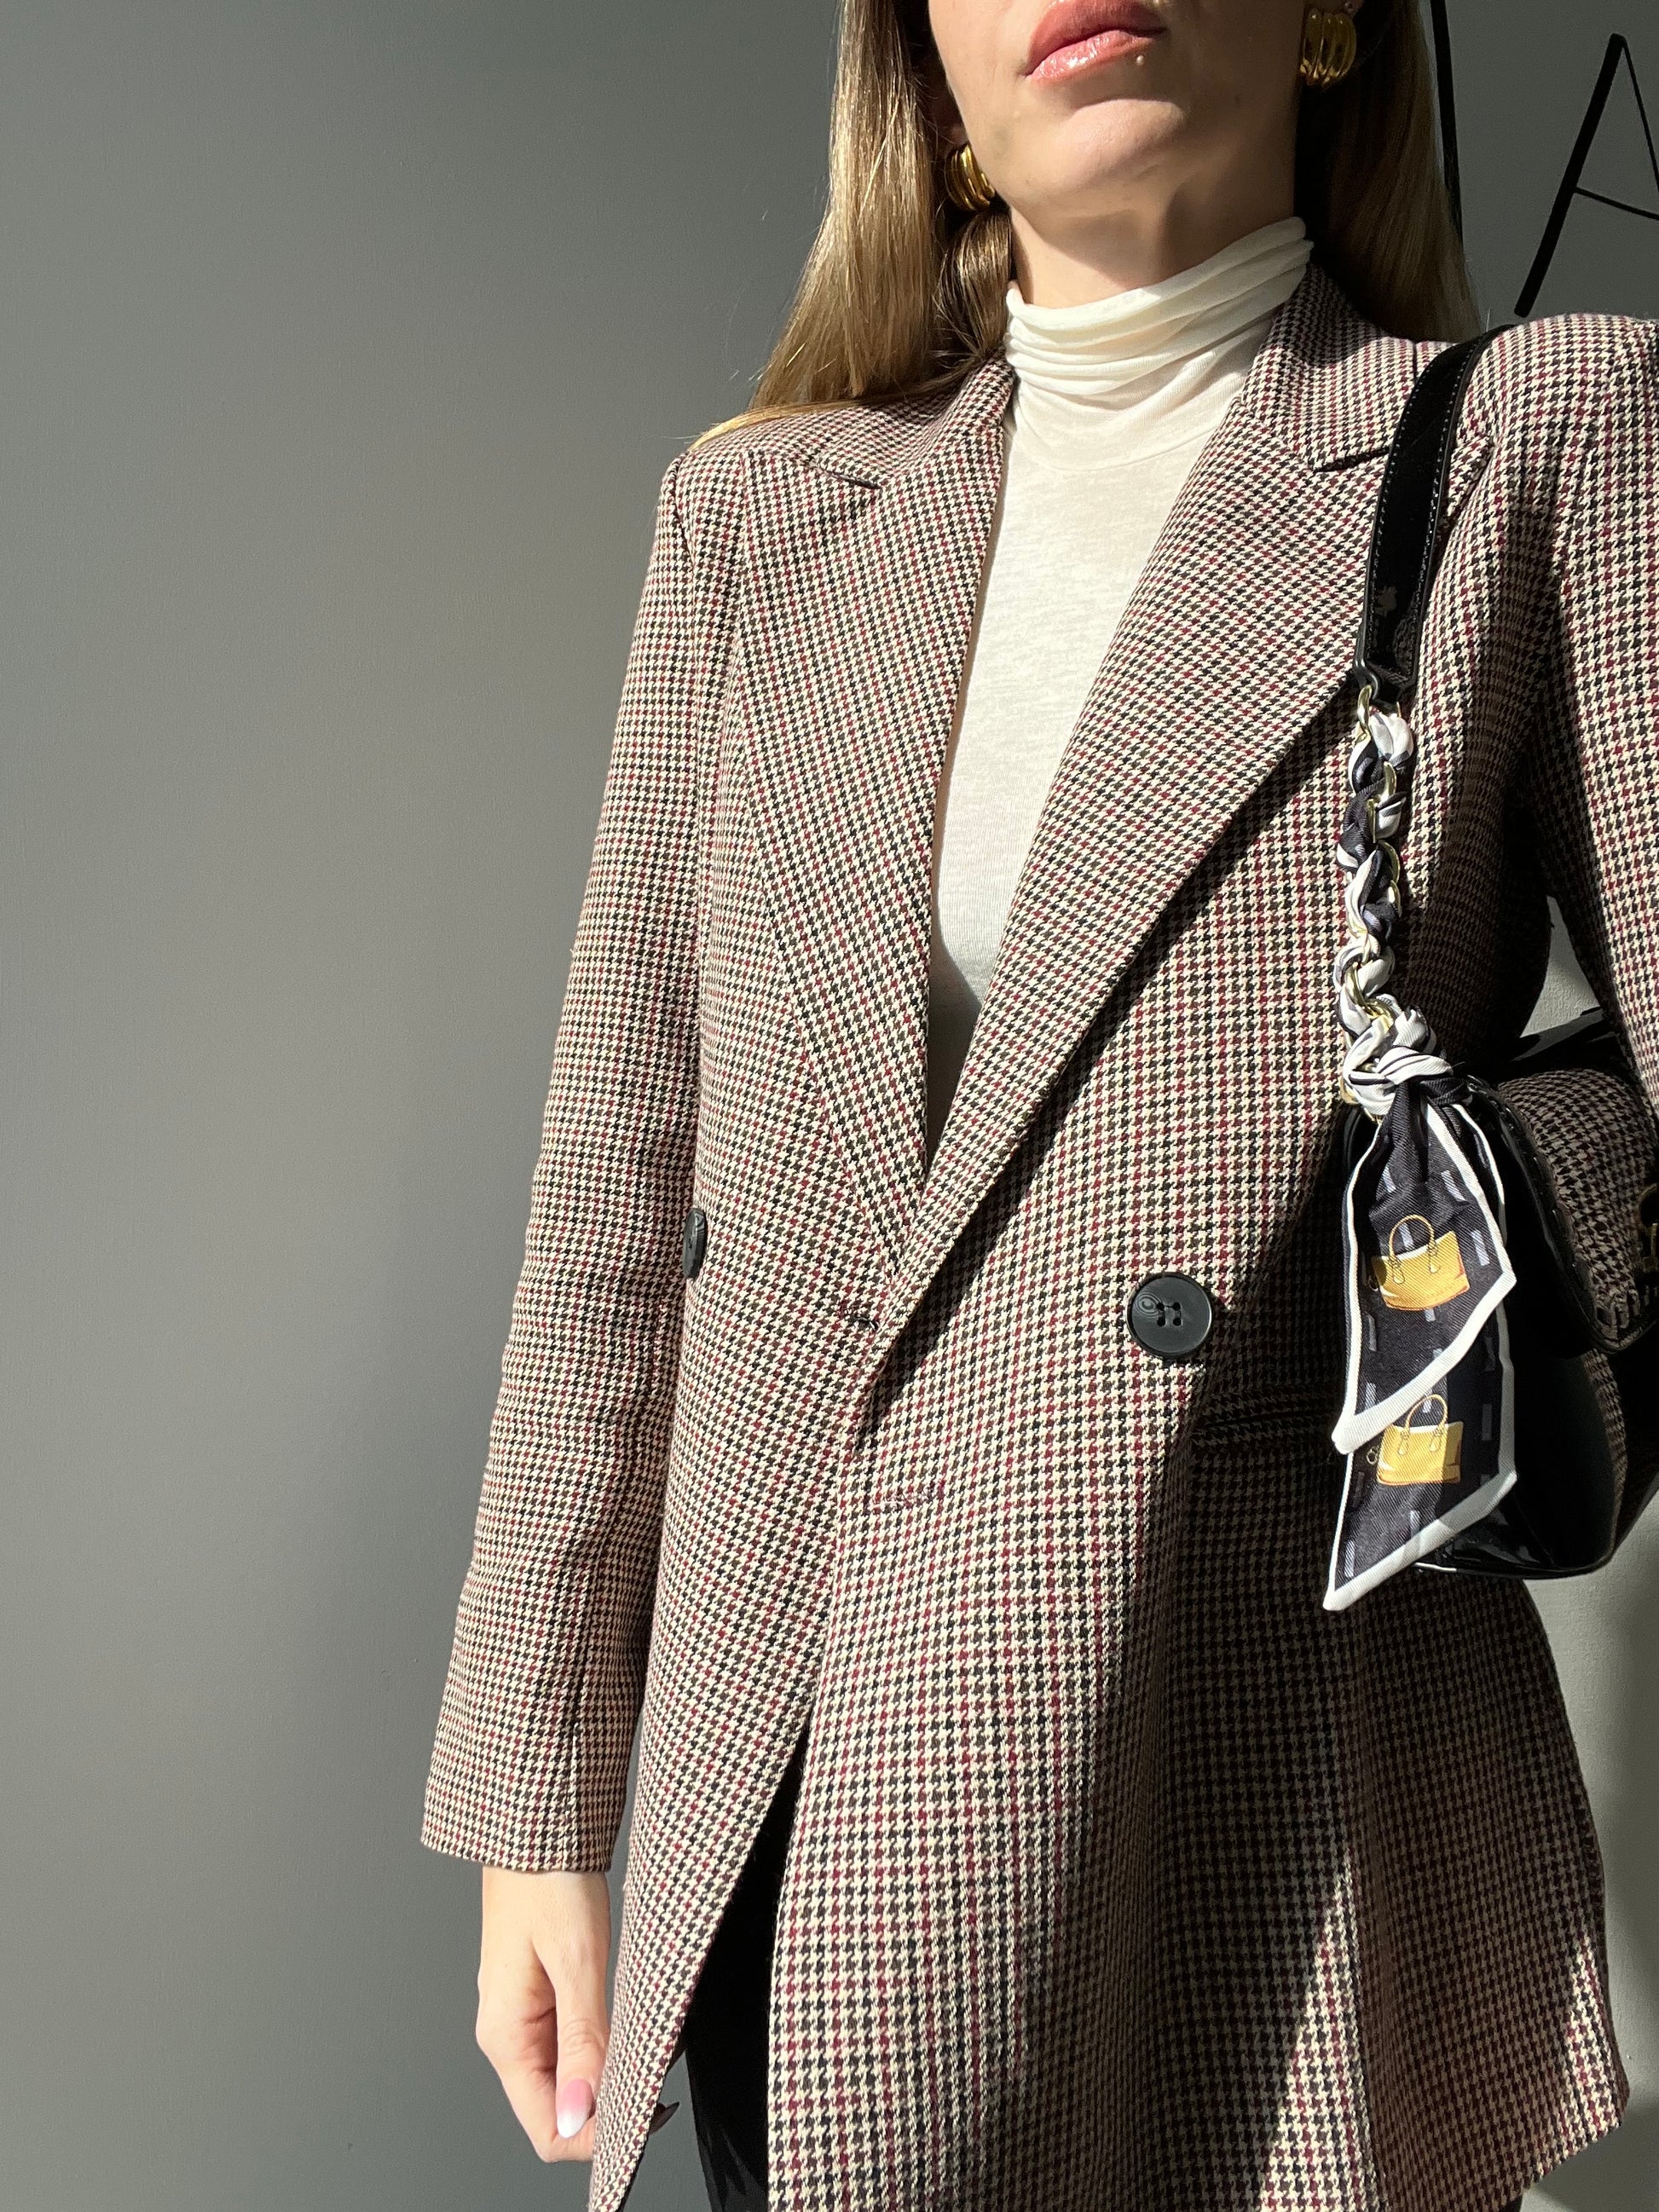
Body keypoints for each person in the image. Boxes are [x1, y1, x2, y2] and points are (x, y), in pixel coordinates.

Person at [424, 0, 1655, 2206]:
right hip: (800, 1731)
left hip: (1257, 1741)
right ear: (923, 71)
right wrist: (540, 1790)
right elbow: (618, 1179)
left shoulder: (1533, 436)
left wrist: (1495, 1266)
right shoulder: (762, 517)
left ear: (1327, 18)